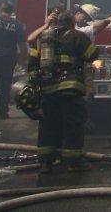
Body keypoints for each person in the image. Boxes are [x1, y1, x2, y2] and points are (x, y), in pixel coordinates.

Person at [27, 10, 98, 172]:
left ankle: (45, 162)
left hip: (47, 89)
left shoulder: (43, 38)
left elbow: (32, 64)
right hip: (70, 89)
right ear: (72, 23)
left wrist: (38, 85)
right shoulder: (76, 36)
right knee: (72, 124)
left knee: (48, 125)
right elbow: (92, 54)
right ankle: (73, 162)